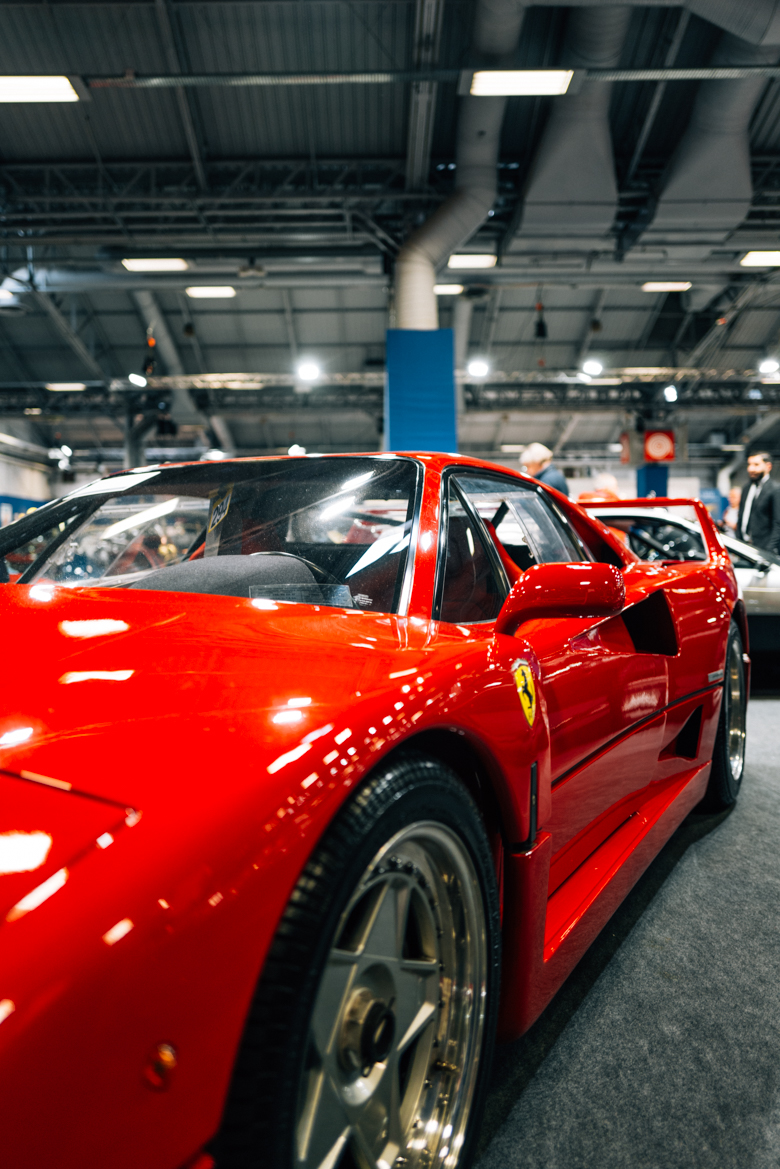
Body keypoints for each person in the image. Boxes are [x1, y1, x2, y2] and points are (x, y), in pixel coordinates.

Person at [736, 451, 780, 554]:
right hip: (744, 547)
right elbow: (742, 517)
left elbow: (778, 523)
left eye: (756, 465)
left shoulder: (775, 489)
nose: (750, 469)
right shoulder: (746, 489)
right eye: (749, 464)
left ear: (768, 466)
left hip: (764, 550)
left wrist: (769, 550)